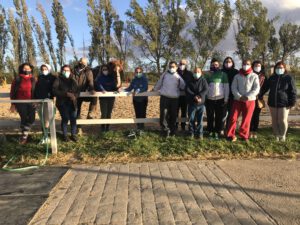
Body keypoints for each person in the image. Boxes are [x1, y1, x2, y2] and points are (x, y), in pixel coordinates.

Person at [259, 61, 297, 141]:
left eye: (281, 67)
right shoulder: (272, 78)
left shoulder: (288, 78)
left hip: (284, 103)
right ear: (275, 68)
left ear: (284, 68)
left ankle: (282, 135)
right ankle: (276, 135)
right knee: (274, 120)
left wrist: (292, 102)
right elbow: (266, 88)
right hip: (272, 102)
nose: (279, 69)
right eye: (277, 67)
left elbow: (293, 91)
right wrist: (260, 95)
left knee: (282, 120)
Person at [227, 59, 260, 142]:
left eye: (248, 64)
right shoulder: (237, 76)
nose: (246, 65)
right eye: (244, 64)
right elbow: (233, 87)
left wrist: (248, 97)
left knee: (246, 119)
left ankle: (244, 135)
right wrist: (239, 96)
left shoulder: (254, 76)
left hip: (250, 100)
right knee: (233, 118)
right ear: (242, 65)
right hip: (238, 100)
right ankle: (231, 135)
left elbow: (256, 88)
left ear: (250, 65)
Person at [153, 61, 185, 137]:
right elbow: (159, 83)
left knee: (173, 115)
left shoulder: (178, 77)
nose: (171, 68)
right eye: (170, 66)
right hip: (164, 98)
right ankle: (165, 130)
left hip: (174, 99)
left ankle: (172, 131)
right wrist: (154, 89)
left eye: (173, 66)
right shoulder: (164, 75)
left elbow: (183, 86)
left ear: (176, 67)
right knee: (164, 115)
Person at [10, 63, 36, 144]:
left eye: (28, 68)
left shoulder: (33, 79)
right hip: (20, 102)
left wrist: (36, 101)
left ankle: (24, 134)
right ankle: (24, 137)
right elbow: (12, 92)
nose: (26, 70)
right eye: (25, 68)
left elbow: (36, 91)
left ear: (31, 69)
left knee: (31, 119)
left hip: (31, 102)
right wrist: (13, 104)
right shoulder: (17, 79)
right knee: (24, 118)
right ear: (22, 69)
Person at [52, 65, 79, 142]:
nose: (66, 72)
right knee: (65, 118)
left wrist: (75, 96)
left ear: (70, 71)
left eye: (68, 70)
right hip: (62, 103)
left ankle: (73, 135)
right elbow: (54, 90)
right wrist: (66, 94)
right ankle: (65, 135)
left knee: (73, 119)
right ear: (62, 71)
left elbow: (78, 91)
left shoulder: (73, 80)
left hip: (73, 103)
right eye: (64, 70)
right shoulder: (58, 79)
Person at [205, 58, 229, 139]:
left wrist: (226, 99)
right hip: (209, 99)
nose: (214, 66)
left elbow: (226, 87)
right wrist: (205, 97)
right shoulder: (207, 74)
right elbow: (204, 87)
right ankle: (210, 131)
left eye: (216, 65)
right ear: (210, 65)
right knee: (210, 116)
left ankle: (218, 131)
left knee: (219, 116)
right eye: (213, 65)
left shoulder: (223, 74)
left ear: (219, 65)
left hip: (220, 99)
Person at [34, 63, 56, 144]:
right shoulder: (39, 78)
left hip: (48, 101)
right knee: (42, 119)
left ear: (49, 69)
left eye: (45, 69)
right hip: (39, 101)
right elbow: (35, 89)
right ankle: (45, 136)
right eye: (42, 69)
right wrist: (35, 99)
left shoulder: (53, 78)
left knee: (47, 119)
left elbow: (54, 89)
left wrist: (52, 97)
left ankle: (46, 136)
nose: (44, 70)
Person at [94, 64, 119, 132]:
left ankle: (107, 127)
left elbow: (114, 86)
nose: (105, 71)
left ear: (108, 70)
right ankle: (103, 127)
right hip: (103, 98)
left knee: (109, 113)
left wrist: (116, 89)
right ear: (101, 70)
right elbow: (98, 84)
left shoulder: (111, 77)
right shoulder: (99, 77)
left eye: (106, 69)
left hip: (111, 98)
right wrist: (102, 89)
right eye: (103, 70)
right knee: (104, 113)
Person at [185, 67, 208, 139]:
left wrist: (200, 96)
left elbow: (206, 89)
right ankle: (191, 132)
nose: (196, 73)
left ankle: (200, 133)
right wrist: (194, 96)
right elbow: (187, 89)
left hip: (201, 104)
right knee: (191, 119)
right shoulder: (189, 80)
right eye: (195, 72)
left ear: (201, 73)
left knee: (200, 120)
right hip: (192, 103)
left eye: (198, 72)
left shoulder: (204, 80)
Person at [124, 67, 148, 132]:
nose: (138, 73)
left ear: (142, 72)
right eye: (137, 72)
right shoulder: (134, 80)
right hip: (135, 99)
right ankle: (138, 126)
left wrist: (137, 90)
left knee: (142, 113)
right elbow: (129, 88)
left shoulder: (144, 79)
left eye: (139, 72)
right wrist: (122, 90)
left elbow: (145, 87)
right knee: (137, 113)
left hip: (143, 99)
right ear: (135, 73)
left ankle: (142, 127)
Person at [249, 60, 267, 138]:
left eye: (259, 66)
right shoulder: (249, 74)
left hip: (259, 98)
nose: (257, 67)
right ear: (252, 66)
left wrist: (261, 93)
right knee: (250, 115)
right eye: (256, 66)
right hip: (250, 97)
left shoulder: (264, 76)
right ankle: (249, 130)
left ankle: (254, 131)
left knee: (256, 115)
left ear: (261, 67)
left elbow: (266, 87)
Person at [222, 56, 239, 132]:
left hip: (233, 96)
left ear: (232, 63)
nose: (228, 63)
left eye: (229, 62)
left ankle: (228, 128)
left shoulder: (236, 72)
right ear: (224, 63)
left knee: (231, 114)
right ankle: (221, 128)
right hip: (222, 96)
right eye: (226, 62)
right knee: (222, 113)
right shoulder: (221, 71)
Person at [176, 59, 193, 131]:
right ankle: (175, 125)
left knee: (184, 111)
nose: (182, 65)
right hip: (176, 95)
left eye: (183, 64)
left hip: (186, 96)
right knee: (175, 111)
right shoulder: (175, 72)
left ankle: (183, 126)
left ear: (186, 65)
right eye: (180, 63)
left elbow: (192, 83)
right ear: (178, 64)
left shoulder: (189, 73)